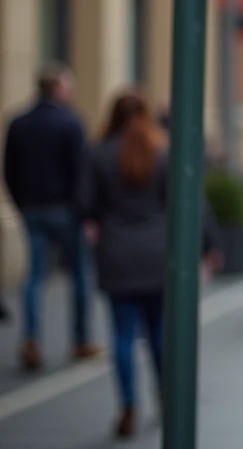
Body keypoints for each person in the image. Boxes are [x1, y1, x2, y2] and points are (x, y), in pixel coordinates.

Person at [78, 92, 220, 438]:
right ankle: (165, 394)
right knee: (160, 332)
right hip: (159, 254)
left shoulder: (99, 154)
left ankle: (128, 404)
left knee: (123, 336)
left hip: (116, 254)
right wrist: (209, 245)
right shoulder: (164, 152)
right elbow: (191, 202)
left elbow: (84, 205)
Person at [3, 64, 101, 370]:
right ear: (57, 89)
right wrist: (86, 213)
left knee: (33, 276)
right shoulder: (71, 123)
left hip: (32, 208)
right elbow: (82, 173)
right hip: (66, 211)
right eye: (68, 87)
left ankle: (31, 338)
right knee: (80, 274)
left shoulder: (18, 123)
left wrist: (22, 204)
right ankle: (80, 340)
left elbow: (9, 170)